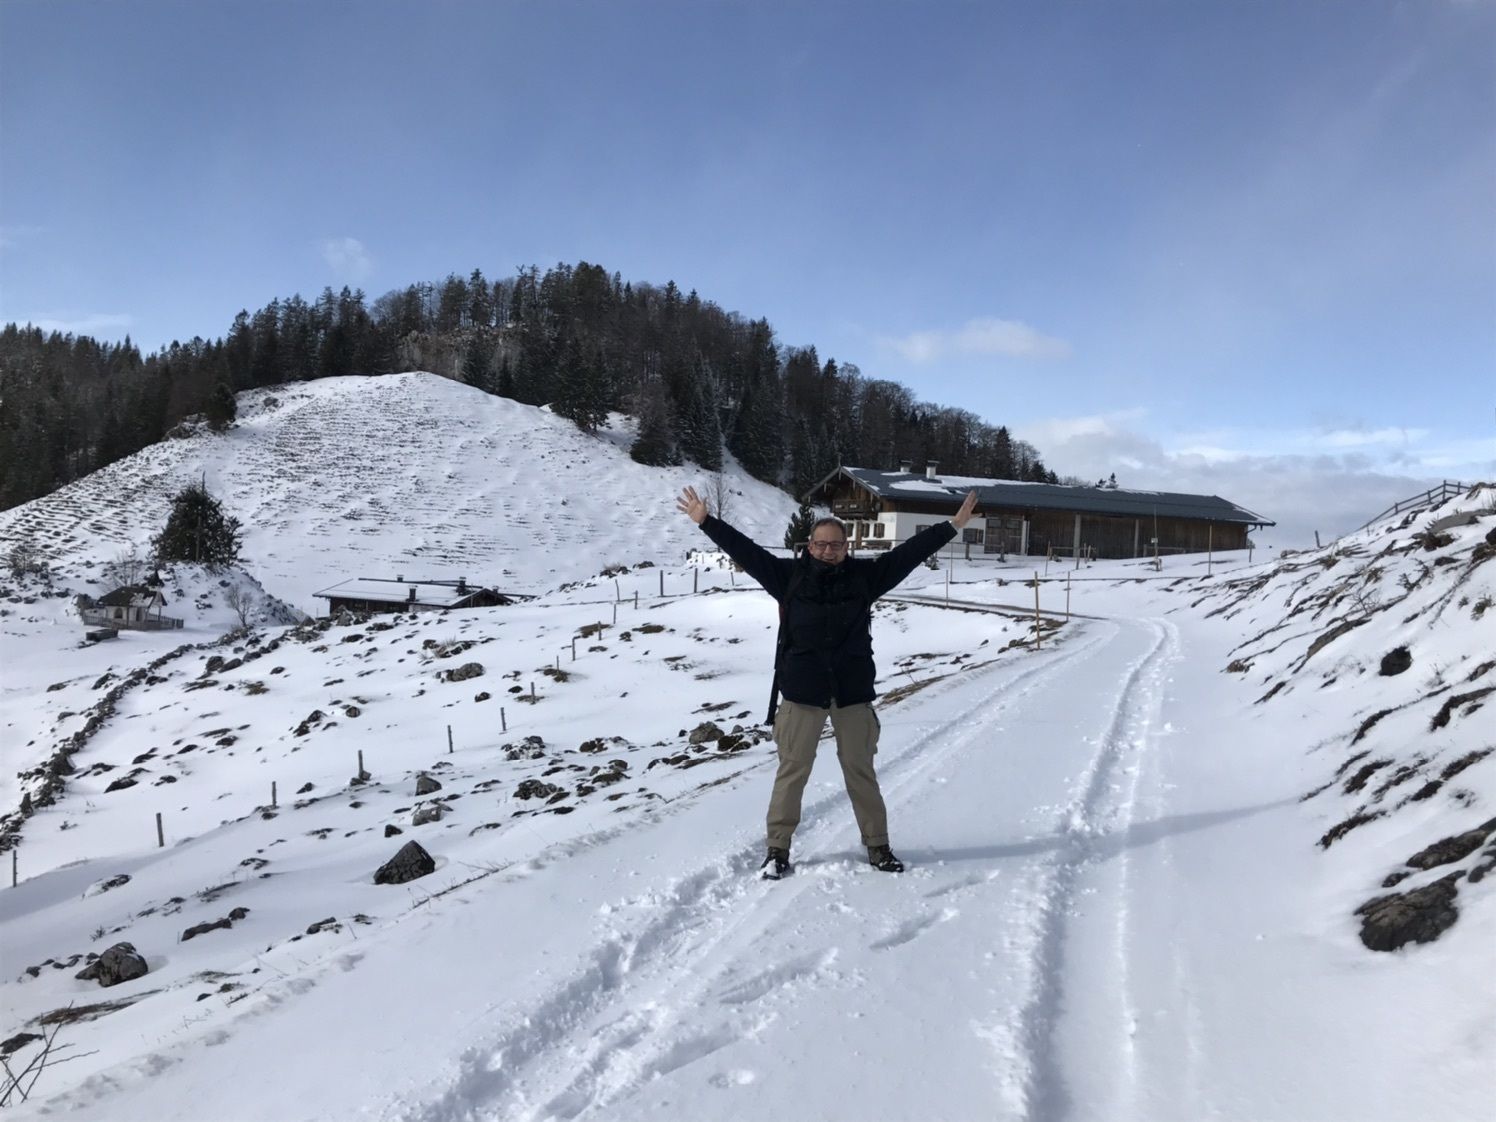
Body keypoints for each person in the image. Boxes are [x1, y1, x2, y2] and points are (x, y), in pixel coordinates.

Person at [676, 485, 979, 879]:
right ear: (810, 546)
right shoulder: (788, 577)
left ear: (846, 547)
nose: (827, 551)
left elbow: (909, 554)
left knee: (860, 771)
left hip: (852, 693)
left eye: (835, 545)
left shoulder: (865, 578)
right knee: (792, 772)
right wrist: (706, 522)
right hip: (801, 694)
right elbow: (746, 551)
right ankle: (777, 850)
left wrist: (952, 526)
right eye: (821, 544)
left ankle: (878, 846)